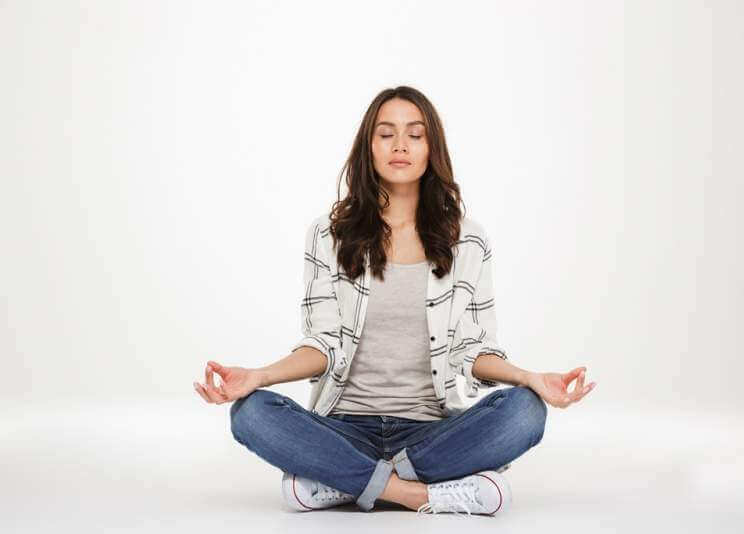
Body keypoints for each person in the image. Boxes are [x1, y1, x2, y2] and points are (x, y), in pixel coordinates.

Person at [193, 85, 596, 516]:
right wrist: (260, 375)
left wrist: (528, 377)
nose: (400, 145)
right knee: (250, 413)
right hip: (344, 426)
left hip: (430, 432)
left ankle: (344, 481)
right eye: (386, 134)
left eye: (415, 135)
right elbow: (324, 342)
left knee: (525, 412)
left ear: (431, 149)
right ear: (369, 148)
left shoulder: (469, 241)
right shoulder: (329, 236)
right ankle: (416, 493)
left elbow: (472, 349)